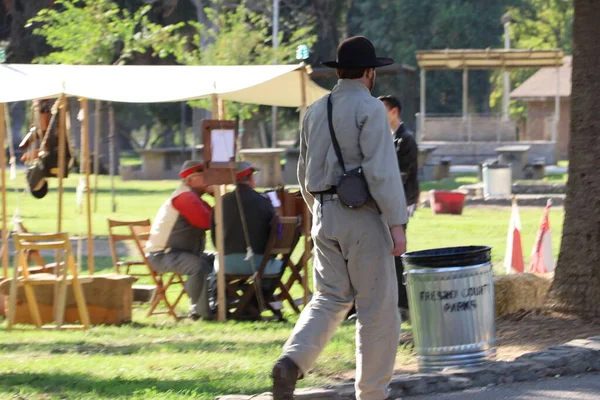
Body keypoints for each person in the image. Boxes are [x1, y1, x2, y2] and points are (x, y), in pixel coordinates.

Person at [272, 36, 408, 400]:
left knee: (328, 299)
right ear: (369, 73)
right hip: (363, 219)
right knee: (377, 312)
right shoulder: (371, 109)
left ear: (339, 71)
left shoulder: (315, 111)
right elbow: (381, 171)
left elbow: (303, 173)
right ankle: (372, 393)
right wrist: (397, 224)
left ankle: (291, 362)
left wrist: (319, 211)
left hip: (323, 215)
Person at [146, 160, 215, 321]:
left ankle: (215, 304)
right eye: (203, 176)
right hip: (164, 255)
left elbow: (215, 217)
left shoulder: (195, 197)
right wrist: (217, 196)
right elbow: (207, 221)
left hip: (179, 252)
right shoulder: (185, 197)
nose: (209, 179)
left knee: (218, 261)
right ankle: (200, 312)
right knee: (199, 267)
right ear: (190, 180)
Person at [378, 94, 420, 322]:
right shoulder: (390, 139)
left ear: (394, 111)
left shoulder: (406, 140)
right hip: (392, 203)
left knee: (396, 252)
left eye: (382, 110)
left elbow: (400, 177)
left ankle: (404, 304)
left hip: (400, 203)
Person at [211, 161, 282, 276]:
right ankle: (262, 292)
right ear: (250, 178)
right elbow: (275, 237)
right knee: (280, 266)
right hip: (259, 264)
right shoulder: (264, 202)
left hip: (226, 264)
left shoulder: (219, 203)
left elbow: (215, 238)